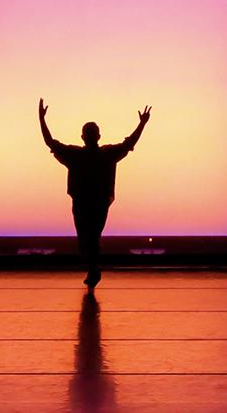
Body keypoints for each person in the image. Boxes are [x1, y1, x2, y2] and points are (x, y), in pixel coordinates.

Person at [39, 97, 151, 288]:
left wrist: (41, 119)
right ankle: (93, 270)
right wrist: (142, 124)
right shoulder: (102, 154)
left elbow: (50, 142)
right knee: (89, 238)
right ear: (96, 136)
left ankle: (93, 271)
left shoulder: (79, 155)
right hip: (95, 202)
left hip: (89, 203)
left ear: (84, 136)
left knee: (88, 238)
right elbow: (128, 144)